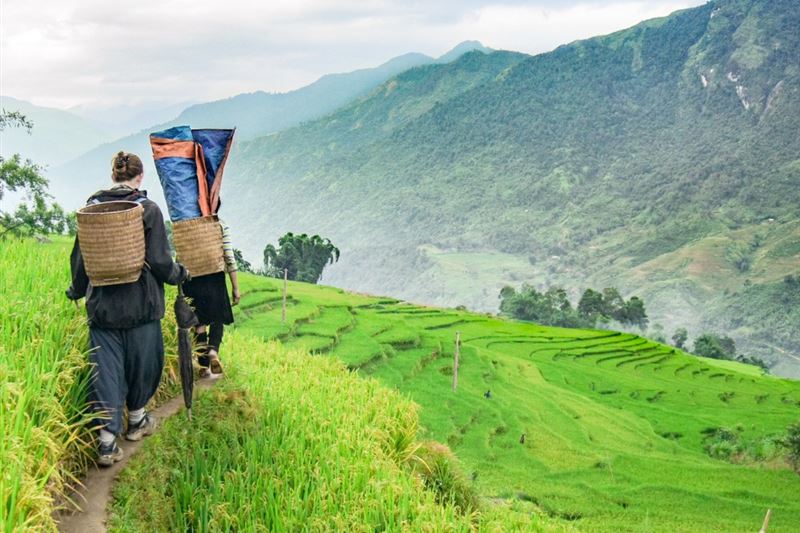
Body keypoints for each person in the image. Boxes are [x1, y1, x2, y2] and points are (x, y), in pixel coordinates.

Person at [66, 151, 189, 467]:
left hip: (102, 309)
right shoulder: (147, 210)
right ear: (140, 176)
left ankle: (106, 443)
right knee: (143, 366)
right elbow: (161, 262)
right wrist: (180, 274)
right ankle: (137, 422)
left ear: (113, 175)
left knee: (105, 373)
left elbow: (82, 259)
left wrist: (76, 290)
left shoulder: (92, 210)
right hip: (141, 307)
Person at [183, 218, 240, 377]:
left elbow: (179, 256)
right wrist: (235, 287)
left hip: (192, 278)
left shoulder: (185, 225)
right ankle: (213, 351)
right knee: (217, 318)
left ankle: (203, 366)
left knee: (199, 323)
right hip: (215, 277)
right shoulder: (220, 224)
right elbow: (229, 256)